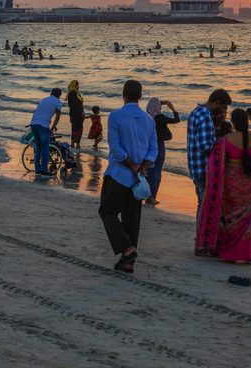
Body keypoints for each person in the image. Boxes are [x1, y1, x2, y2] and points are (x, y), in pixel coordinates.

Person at [196, 107, 251, 263]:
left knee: (229, 219)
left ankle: (228, 253)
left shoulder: (225, 141)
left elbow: (214, 164)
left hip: (230, 188)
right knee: (249, 221)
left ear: (233, 123)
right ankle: (248, 255)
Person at [98, 79, 157, 273]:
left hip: (118, 174)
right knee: (132, 218)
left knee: (107, 211)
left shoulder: (115, 116)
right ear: (140, 96)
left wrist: (132, 166)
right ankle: (129, 261)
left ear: (123, 94)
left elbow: (115, 148)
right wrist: (142, 168)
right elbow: (153, 150)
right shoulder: (149, 120)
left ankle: (127, 249)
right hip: (137, 177)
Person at [187, 88, 233, 203]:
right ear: (216, 103)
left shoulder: (196, 112)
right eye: (222, 108)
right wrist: (220, 145)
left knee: (203, 204)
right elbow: (205, 146)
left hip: (196, 167)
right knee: (205, 206)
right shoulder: (205, 117)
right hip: (204, 169)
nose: (223, 111)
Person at [145, 98, 181, 205]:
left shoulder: (146, 117)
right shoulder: (160, 118)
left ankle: (146, 195)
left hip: (148, 145)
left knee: (149, 170)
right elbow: (176, 119)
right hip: (159, 145)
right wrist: (172, 108)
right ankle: (152, 197)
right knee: (157, 171)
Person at [29, 88, 64, 175]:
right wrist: (52, 129)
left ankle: (37, 169)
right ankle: (44, 170)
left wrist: (51, 126)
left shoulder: (43, 100)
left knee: (38, 147)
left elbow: (40, 112)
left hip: (33, 123)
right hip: (43, 126)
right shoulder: (58, 102)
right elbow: (57, 117)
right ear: (59, 95)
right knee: (45, 148)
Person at [66, 80, 85, 147]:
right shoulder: (72, 93)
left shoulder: (75, 93)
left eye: (78, 85)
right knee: (77, 129)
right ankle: (75, 143)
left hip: (76, 114)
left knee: (76, 128)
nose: (78, 86)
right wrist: (81, 112)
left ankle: (75, 143)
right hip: (76, 114)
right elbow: (75, 104)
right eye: (76, 85)